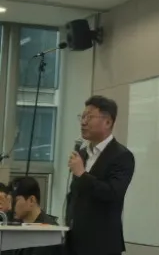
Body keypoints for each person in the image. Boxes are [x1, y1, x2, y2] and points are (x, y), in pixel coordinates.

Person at [66, 96, 135, 255]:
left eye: (89, 117)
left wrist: (82, 174)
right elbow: (75, 195)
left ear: (108, 122)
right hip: (75, 242)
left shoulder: (122, 156)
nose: (83, 122)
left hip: (102, 244)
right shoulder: (82, 153)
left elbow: (112, 193)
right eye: (82, 117)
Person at [10, 176, 61, 255]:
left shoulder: (48, 233)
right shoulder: (20, 227)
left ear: (31, 200)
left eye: (16, 201)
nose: (11, 207)